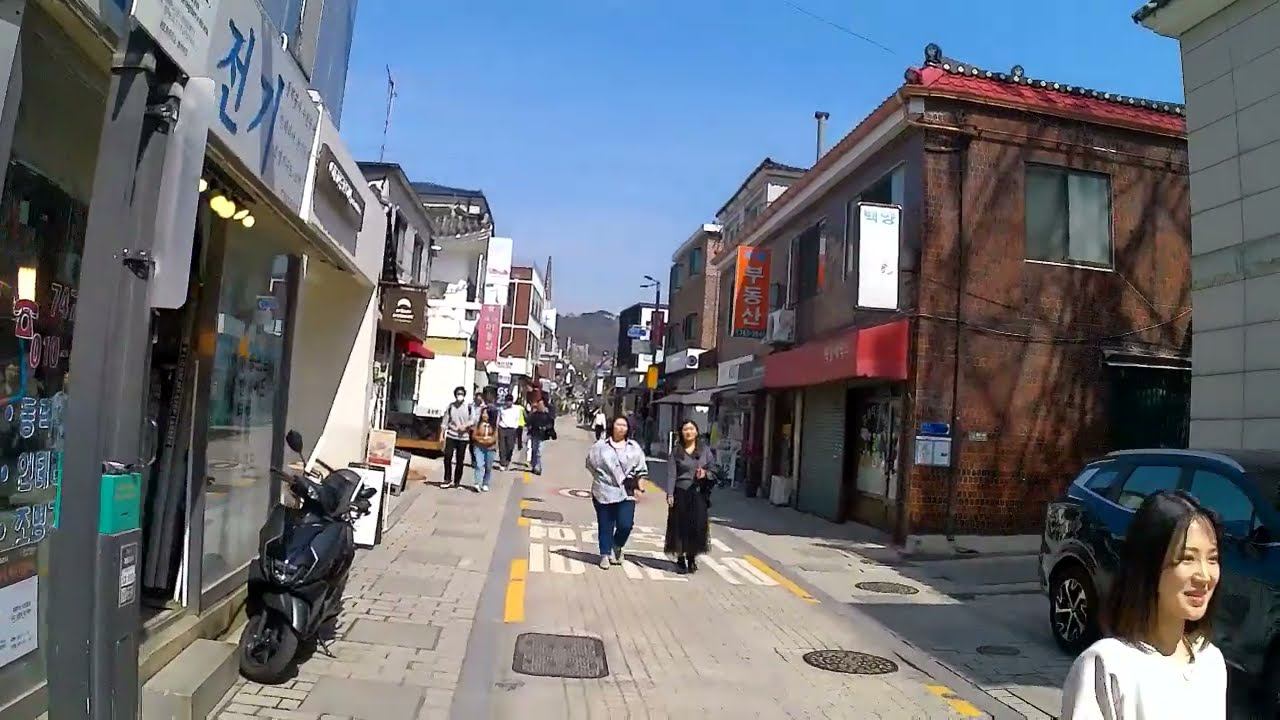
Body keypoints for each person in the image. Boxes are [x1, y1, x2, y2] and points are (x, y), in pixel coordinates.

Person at [1060, 490, 1225, 720]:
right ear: (1149, 565)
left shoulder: (1211, 662)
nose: (1204, 576)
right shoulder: (1107, 665)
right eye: (1187, 558)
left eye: (1212, 558)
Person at [584, 415, 647, 569]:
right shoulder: (600, 446)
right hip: (603, 490)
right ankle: (605, 554)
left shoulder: (634, 447)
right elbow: (590, 464)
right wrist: (602, 479)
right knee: (605, 523)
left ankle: (617, 545)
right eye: (618, 424)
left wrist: (640, 488)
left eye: (624, 425)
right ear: (612, 426)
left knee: (626, 524)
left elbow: (641, 470)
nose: (621, 428)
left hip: (627, 491)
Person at [664, 420, 713, 574]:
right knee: (680, 526)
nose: (688, 432)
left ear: (697, 432)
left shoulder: (705, 450)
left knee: (696, 526)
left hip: (698, 493)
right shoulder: (676, 452)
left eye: (691, 429)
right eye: (685, 429)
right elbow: (671, 474)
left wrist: (705, 474)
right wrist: (670, 493)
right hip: (680, 492)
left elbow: (714, 470)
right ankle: (680, 557)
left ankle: (691, 557)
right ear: (681, 432)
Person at [441, 386, 476, 488]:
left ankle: (457, 481)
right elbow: (445, 422)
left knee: (460, 460)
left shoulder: (469, 407)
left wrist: (464, 426)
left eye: (461, 394)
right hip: (451, 435)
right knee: (447, 457)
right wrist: (442, 435)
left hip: (463, 437)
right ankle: (447, 479)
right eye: (458, 394)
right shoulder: (451, 406)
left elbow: (473, 420)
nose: (460, 396)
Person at [469, 393, 499, 492]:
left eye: (486, 414)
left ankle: (485, 483)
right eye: (483, 413)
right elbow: (474, 436)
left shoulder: (493, 426)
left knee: (488, 467)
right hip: (479, 447)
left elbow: (494, 438)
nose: (484, 415)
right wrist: (481, 440)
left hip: (490, 448)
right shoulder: (478, 424)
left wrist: (487, 441)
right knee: (479, 464)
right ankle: (477, 483)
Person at [526, 399, 556, 475]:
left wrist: (545, 428)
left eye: (542, 405)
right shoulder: (533, 415)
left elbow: (551, 424)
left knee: (539, 452)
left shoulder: (547, 415)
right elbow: (528, 423)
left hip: (542, 436)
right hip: (534, 434)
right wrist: (529, 428)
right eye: (539, 405)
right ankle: (534, 465)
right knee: (534, 450)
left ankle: (538, 467)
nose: (540, 406)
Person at [497, 396, 524, 470]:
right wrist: (497, 427)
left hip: (512, 429)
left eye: (510, 401)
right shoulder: (501, 409)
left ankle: (508, 459)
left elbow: (519, 417)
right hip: (502, 428)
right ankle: (502, 462)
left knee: (510, 446)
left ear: (512, 401)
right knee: (502, 446)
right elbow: (498, 418)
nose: (508, 402)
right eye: (507, 401)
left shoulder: (517, 409)